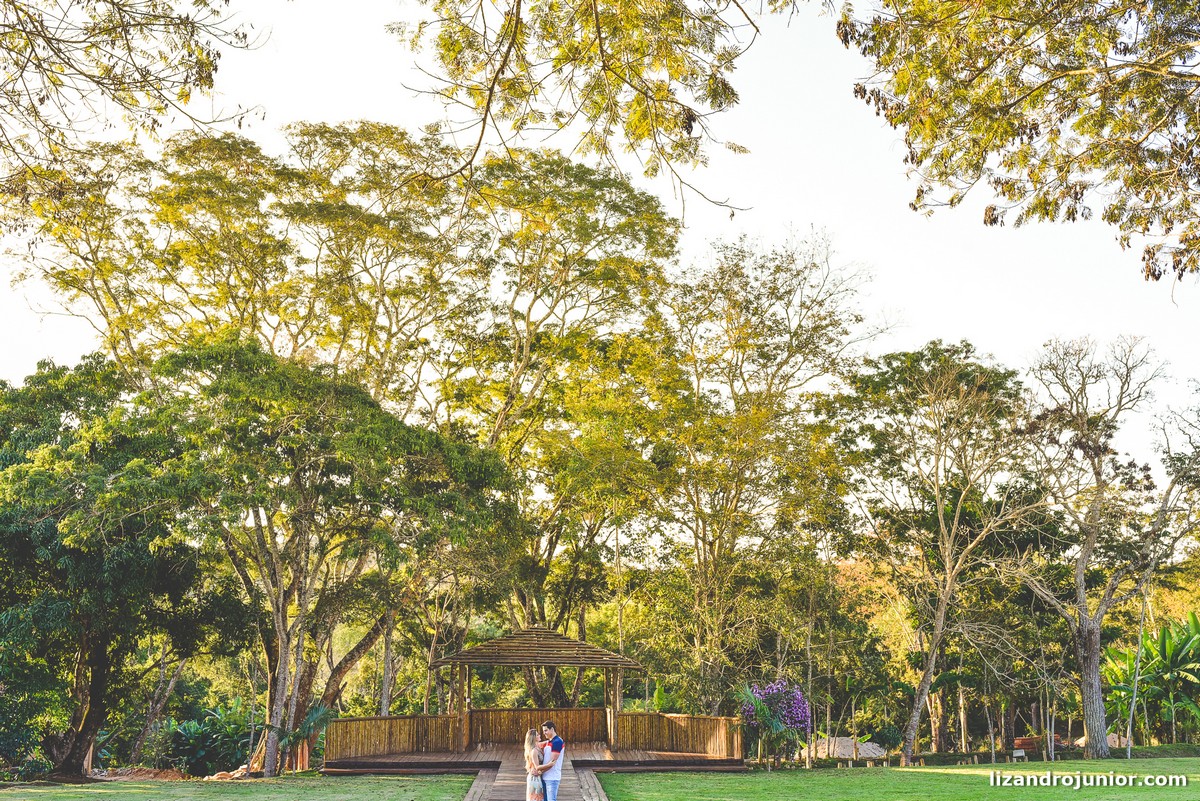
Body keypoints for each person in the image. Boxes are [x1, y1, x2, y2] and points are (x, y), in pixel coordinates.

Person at [535, 720, 565, 801]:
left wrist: (540, 771)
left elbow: (552, 763)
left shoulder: (557, 742)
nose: (544, 733)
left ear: (552, 729)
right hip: (545, 777)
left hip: (552, 778)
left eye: (546, 730)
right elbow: (537, 744)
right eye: (543, 731)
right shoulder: (549, 741)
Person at [523, 728, 545, 801]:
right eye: (537, 735)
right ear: (534, 738)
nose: (540, 735)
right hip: (534, 778)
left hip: (537, 777)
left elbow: (547, 742)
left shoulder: (537, 746)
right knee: (536, 799)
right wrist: (550, 765)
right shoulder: (534, 751)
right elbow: (537, 767)